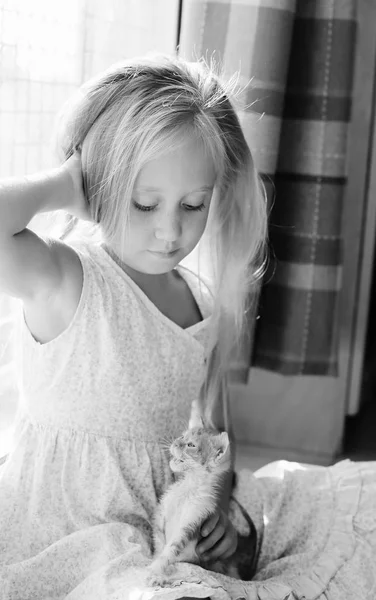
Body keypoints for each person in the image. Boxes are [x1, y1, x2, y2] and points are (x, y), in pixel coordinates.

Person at [0, 55, 375, 600]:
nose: (170, 230)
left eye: (193, 205)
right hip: (72, 531)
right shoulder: (67, 277)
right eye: (144, 203)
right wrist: (64, 183)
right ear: (96, 185)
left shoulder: (200, 303)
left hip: (162, 527)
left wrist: (215, 506)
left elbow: (215, 441)